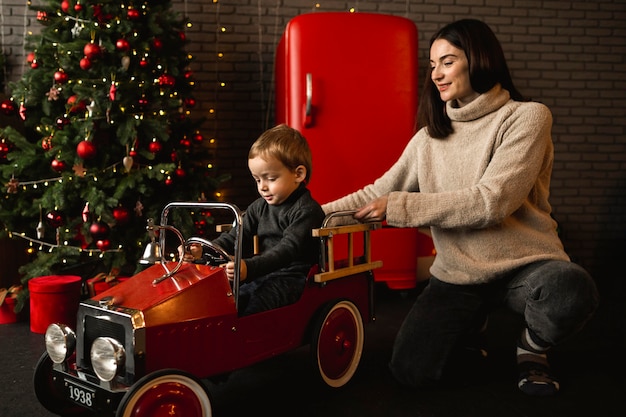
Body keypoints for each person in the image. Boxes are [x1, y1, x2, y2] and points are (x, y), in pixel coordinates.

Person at [321, 19, 599, 396]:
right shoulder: (427, 139)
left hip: (526, 264)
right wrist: (308, 214)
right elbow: (376, 194)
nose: (436, 74)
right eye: (432, 65)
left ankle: (532, 351)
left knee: (571, 288)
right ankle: (473, 323)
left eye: (447, 62)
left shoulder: (527, 117)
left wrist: (399, 206)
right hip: (458, 273)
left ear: (479, 59)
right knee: (410, 371)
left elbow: (491, 201)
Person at [184, 124, 325, 316]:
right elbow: (234, 237)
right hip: (263, 272)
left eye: (271, 179)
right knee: (228, 298)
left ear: (298, 174)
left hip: (295, 278)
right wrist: (204, 249)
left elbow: (287, 251)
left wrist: (249, 267)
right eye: (258, 180)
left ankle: (247, 343)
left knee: (255, 306)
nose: (263, 187)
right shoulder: (259, 206)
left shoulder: (306, 210)